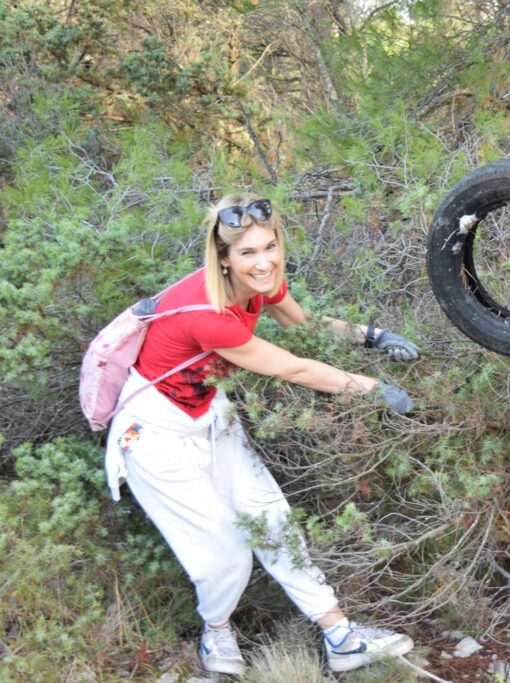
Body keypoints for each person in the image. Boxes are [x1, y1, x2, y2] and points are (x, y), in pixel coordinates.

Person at [104, 193, 420, 676]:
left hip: (210, 413)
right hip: (154, 433)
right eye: (248, 252)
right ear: (223, 258)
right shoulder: (206, 314)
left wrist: (372, 337)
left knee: (274, 521)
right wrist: (372, 389)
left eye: (270, 247)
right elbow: (292, 367)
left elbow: (300, 323)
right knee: (226, 555)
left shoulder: (259, 283)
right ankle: (216, 630)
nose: (264, 262)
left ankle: (341, 637)